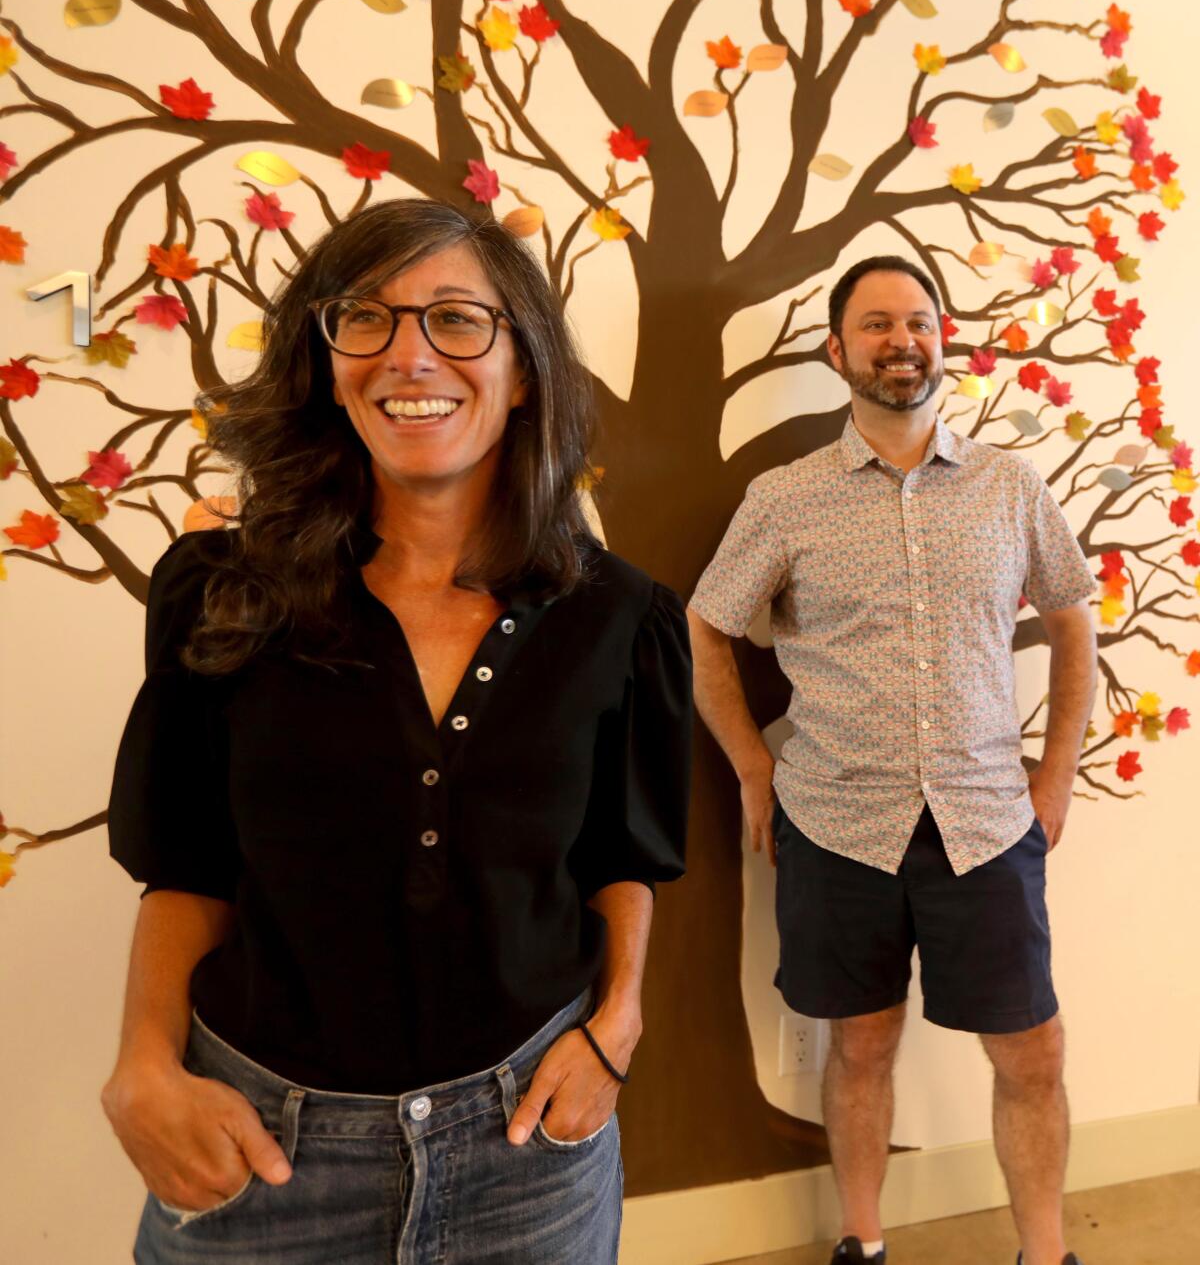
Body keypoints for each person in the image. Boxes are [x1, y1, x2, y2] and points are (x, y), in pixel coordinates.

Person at [102, 198, 691, 1264]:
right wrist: (144, 1067)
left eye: (458, 319)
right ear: (326, 366)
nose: (410, 354)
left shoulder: (621, 614)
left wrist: (616, 1033)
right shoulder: (220, 593)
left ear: (523, 370)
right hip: (261, 1155)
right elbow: (186, 868)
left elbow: (621, 858)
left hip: (529, 1156)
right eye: (364, 319)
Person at [687, 256, 1096, 1265]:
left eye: (917, 321)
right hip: (834, 823)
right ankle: (861, 1243)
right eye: (875, 324)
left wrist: (1054, 775)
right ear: (838, 351)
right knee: (861, 1046)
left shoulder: (1010, 487)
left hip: (988, 819)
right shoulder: (785, 497)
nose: (900, 339)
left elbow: (1074, 624)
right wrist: (752, 767)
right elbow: (706, 630)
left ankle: (1046, 1254)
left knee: (1032, 1053)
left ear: (942, 339)